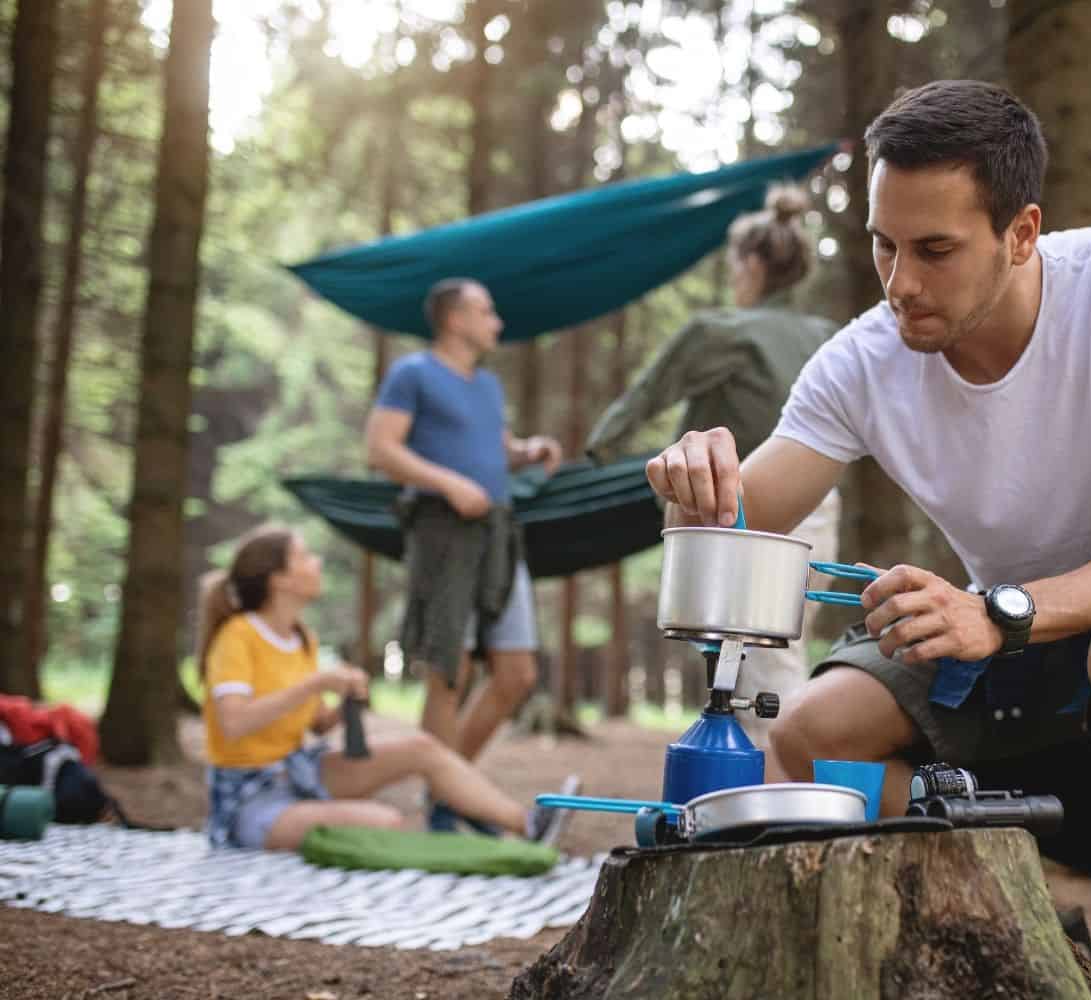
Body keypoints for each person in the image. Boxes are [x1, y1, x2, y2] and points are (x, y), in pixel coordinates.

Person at [643, 81, 1091, 999]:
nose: (902, 285)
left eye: (935, 249)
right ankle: (1027, 910)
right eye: (883, 246)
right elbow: (741, 518)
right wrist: (692, 485)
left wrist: (1003, 612)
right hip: (998, 613)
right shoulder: (863, 358)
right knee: (814, 737)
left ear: (1021, 235)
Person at [585, 185, 841, 746]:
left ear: (750, 263)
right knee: (778, 653)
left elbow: (648, 393)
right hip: (821, 509)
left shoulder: (723, 331)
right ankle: (771, 785)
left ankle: (779, 803)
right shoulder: (826, 338)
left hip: (751, 512)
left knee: (755, 664)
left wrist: (595, 452)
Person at [198, 525, 569, 850]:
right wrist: (317, 682)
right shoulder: (238, 636)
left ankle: (529, 824)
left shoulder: (301, 638)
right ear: (279, 578)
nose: (317, 563)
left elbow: (317, 724)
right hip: (247, 798)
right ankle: (298, 823)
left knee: (423, 748)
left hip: (298, 772)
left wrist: (344, 702)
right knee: (384, 822)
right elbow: (234, 722)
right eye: (304, 556)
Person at [366, 278, 579, 832]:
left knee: (516, 672)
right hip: (442, 533)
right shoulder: (412, 374)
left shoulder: (485, 384)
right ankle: (449, 800)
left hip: (499, 535)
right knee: (449, 669)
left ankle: (452, 789)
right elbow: (380, 449)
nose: (497, 322)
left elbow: (493, 446)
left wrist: (526, 452)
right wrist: (448, 484)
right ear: (454, 319)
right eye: (487, 311)